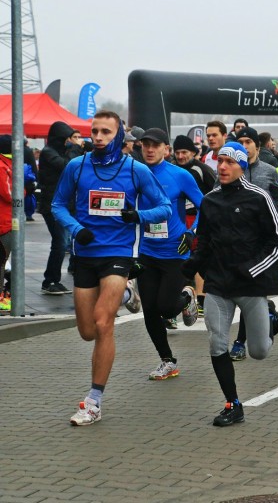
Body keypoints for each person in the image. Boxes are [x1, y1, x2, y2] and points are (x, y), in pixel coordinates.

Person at [52, 111, 171, 425]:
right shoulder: (76, 167)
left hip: (118, 253)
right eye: (95, 131)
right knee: (87, 331)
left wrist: (138, 216)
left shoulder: (136, 170)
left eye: (106, 131)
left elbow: (165, 207)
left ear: (119, 136)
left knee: (104, 323)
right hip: (86, 254)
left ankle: (93, 401)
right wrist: (76, 230)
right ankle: (124, 294)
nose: (99, 137)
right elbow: (56, 205)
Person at [181, 142, 278, 426]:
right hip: (218, 285)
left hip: (251, 284)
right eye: (220, 161)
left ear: (241, 166)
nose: (223, 166)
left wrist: (252, 269)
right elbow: (203, 244)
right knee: (217, 344)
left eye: (229, 161)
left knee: (259, 352)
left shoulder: (258, 197)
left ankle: (271, 316)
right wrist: (188, 268)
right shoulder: (210, 200)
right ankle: (233, 404)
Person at [135, 128, 205, 380]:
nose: (150, 150)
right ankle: (167, 361)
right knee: (150, 311)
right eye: (146, 145)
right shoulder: (134, 173)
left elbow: (203, 206)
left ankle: (187, 298)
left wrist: (192, 231)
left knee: (165, 307)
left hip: (175, 251)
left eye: (155, 145)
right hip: (146, 252)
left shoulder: (180, 175)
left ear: (167, 149)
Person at [228, 126, 278, 360]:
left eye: (248, 142)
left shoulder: (269, 171)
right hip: (237, 243)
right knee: (249, 293)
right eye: (240, 141)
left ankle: (240, 342)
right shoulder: (229, 170)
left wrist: (274, 222)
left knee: (249, 289)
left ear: (257, 146)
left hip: (262, 245)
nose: (244, 146)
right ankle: (269, 315)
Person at [172, 135, 217, 317]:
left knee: (198, 257)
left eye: (185, 152)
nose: (181, 156)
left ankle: (201, 299)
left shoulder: (202, 169)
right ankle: (178, 300)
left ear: (193, 152)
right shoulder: (172, 169)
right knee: (179, 259)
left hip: (200, 219)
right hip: (178, 220)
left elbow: (215, 191)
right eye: (178, 153)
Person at [37, 121, 84, 295]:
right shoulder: (48, 152)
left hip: (64, 204)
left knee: (63, 242)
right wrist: (75, 149)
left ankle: (52, 279)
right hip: (52, 205)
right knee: (60, 242)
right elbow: (66, 166)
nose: (71, 142)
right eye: (69, 138)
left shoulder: (60, 151)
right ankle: (50, 280)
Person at [0, 136, 11, 311]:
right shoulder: (3, 166)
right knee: (2, 262)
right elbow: (10, 193)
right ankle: (3, 298)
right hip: (4, 222)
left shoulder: (7, 164)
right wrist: (25, 187)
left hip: (6, 220)